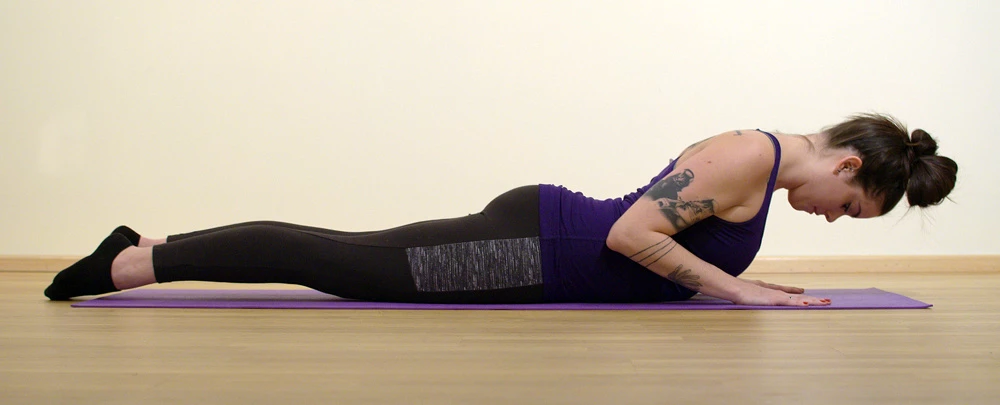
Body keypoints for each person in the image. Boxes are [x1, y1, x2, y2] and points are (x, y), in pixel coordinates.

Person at [44, 113, 958, 306]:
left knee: (344, 253)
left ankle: (152, 242)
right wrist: (735, 293)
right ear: (847, 162)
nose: (837, 217)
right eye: (853, 205)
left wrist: (765, 285)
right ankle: (132, 262)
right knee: (339, 264)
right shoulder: (749, 154)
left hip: (539, 245)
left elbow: (683, 239)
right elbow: (631, 233)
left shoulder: (767, 164)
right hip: (528, 249)